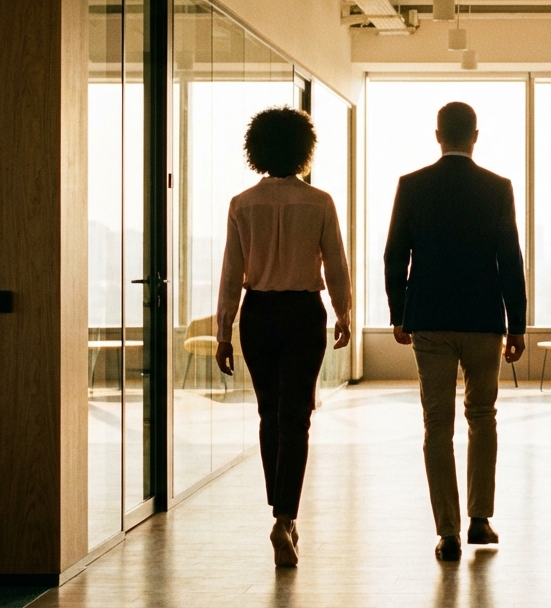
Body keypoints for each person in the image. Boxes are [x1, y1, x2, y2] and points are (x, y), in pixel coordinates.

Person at [383, 101, 527, 562]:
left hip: (429, 318)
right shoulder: (497, 187)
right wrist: (517, 325)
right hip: (483, 320)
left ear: (438, 135)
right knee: (482, 417)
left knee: (437, 424)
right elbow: (510, 258)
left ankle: (447, 532)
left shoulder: (412, 185)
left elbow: (394, 254)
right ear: (475, 136)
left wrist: (399, 313)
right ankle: (479, 519)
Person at [212, 107, 353, 568]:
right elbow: (336, 265)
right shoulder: (320, 203)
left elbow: (231, 274)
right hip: (303, 314)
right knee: (297, 416)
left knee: (269, 413)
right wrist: (344, 313)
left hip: (258, 314)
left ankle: (279, 511)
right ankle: (285, 518)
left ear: (257, 149)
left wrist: (223, 332)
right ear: (303, 149)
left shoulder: (242, 204)